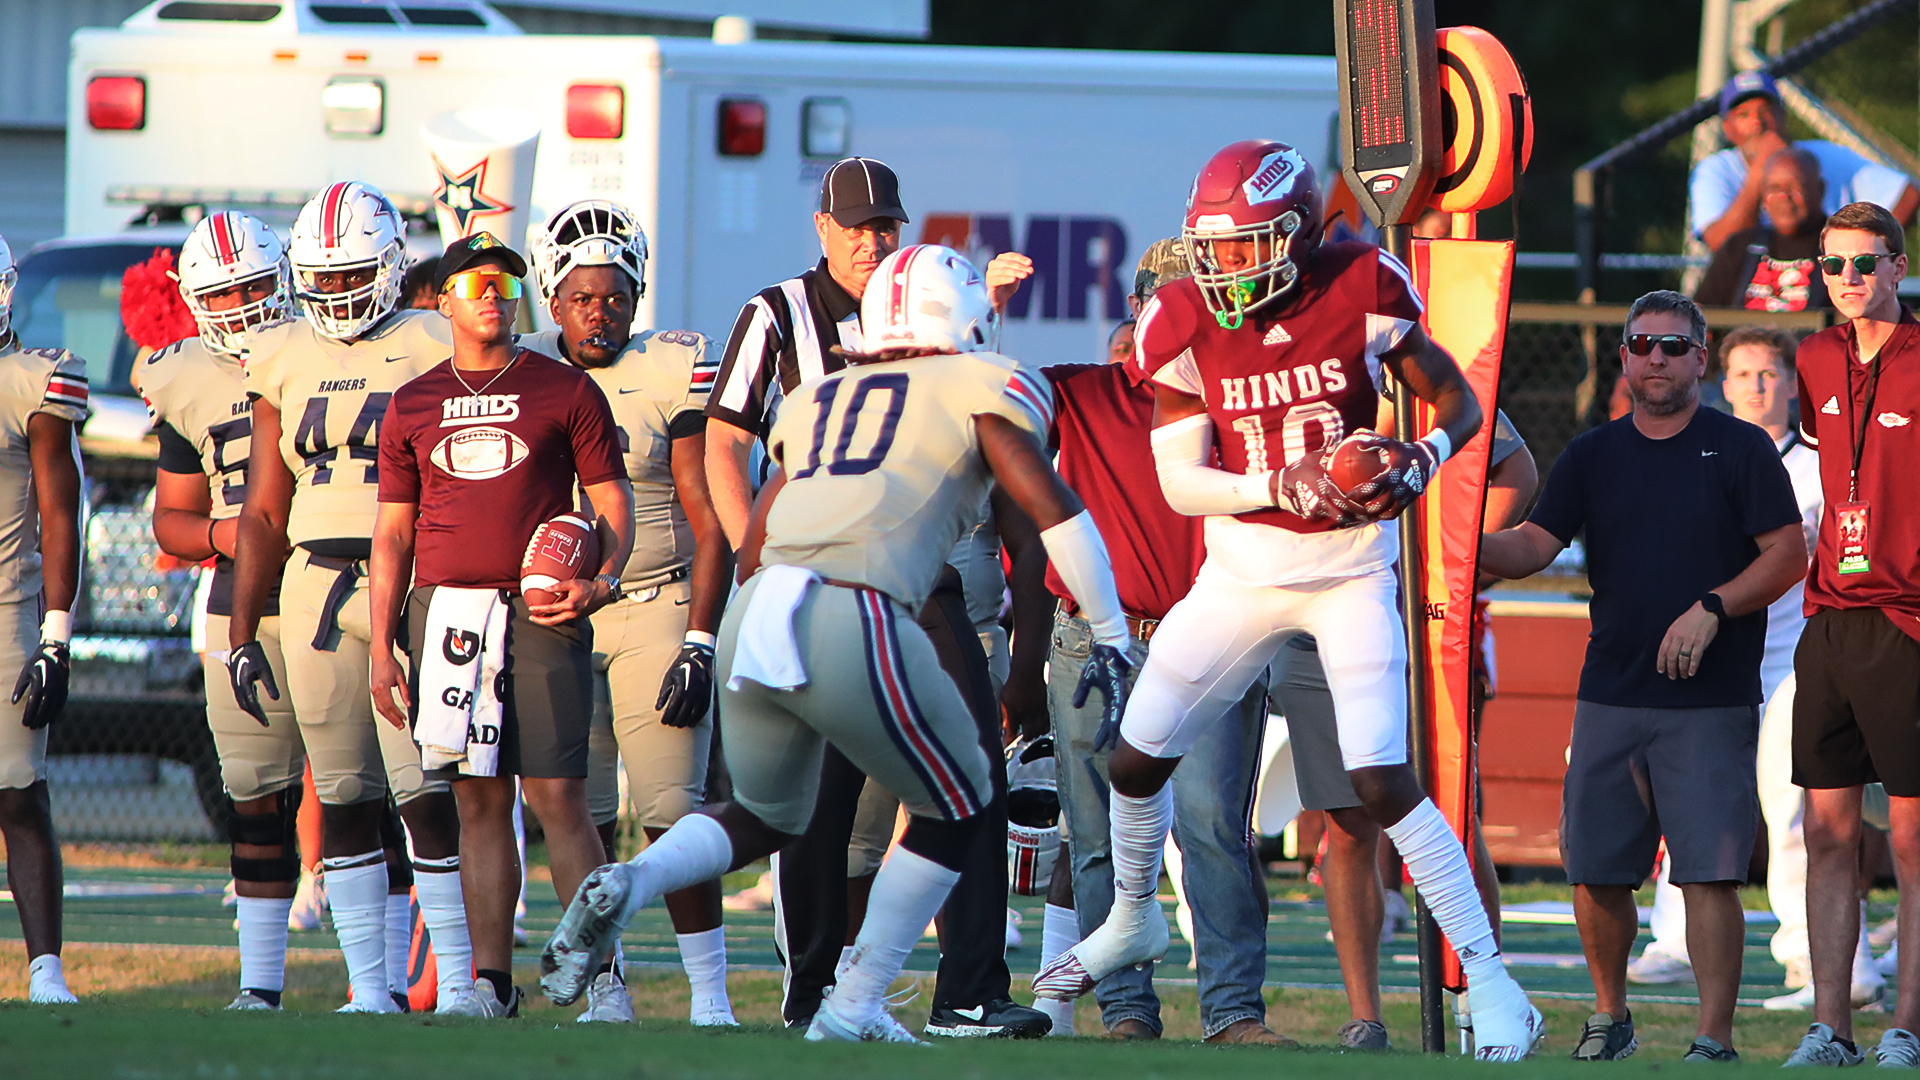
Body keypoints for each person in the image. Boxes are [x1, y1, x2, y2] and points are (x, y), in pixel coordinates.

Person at [540, 243, 1135, 1045]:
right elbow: (1053, 510)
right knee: (962, 801)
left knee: (762, 814)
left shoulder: (822, 397)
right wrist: (1110, 632)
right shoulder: (980, 384)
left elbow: (759, 526)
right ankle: (853, 1002)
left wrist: (724, 631)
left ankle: (632, 879)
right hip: (856, 605)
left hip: (763, 607)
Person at [1032, 139, 1543, 1063]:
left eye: (1246, 246)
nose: (1225, 269)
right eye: (1214, 249)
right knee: (1136, 761)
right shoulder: (1181, 316)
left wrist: (1418, 464)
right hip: (1238, 573)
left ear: (1299, 234)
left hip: (1348, 572)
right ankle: (1139, 919)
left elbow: (1460, 408)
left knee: (1384, 781)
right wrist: (1285, 479)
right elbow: (1184, 484)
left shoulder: (1361, 285)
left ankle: (1495, 980)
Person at [702, 156, 1045, 1037]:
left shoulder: (922, 295)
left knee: (975, 769)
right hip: (813, 573)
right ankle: (814, 990)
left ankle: (970, 990)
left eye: (885, 224)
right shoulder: (774, 313)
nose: (871, 240)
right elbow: (722, 444)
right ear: (820, 229)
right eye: (854, 226)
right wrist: (757, 558)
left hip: (924, 581)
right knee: (821, 795)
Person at [1481, 290, 1806, 1062]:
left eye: (1672, 345)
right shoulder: (1593, 453)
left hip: (1712, 697)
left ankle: (1713, 1039)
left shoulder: (1740, 449)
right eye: (1640, 344)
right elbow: (1530, 546)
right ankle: (1610, 1015)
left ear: (1702, 358)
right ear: (1623, 358)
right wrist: (1449, 539)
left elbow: (1789, 555)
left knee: (1710, 875)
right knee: (1593, 868)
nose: (1655, 358)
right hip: (1610, 690)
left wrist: (1712, 609)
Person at [1000, 238, 1284, 1046]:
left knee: (1211, 831)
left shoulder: (1242, 398)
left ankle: (1233, 1013)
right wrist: (987, 308)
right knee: (1094, 837)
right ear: (1139, 310)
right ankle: (1125, 1009)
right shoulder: (1087, 391)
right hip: (1093, 637)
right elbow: (979, 396)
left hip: (1213, 632)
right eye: (1163, 304)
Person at [366, 232, 633, 1019]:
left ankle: (604, 978)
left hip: (542, 608)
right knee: (480, 801)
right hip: (447, 612)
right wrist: (383, 645)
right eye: (476, 281)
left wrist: (601, 581)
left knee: (559, 797)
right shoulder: (413, 401)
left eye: (505, 281)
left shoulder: (566, 390)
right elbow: (391, 533)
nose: (491, 292)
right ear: (443, 298)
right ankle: (491, 985)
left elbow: (610, 501)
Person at [227, 181, 470, 1014]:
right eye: (321, 278)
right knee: (341, 797)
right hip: (314, 587)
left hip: (415, 582)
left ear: (394, 265)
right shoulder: (283, 352)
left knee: (427, 791)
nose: (333, 293)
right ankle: (373, 990)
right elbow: (264, 506)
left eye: (350, 274)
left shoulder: (438, 338)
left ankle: (463, 982)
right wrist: (237, 630)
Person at [1626, 327, 1889, 1012]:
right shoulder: (1700, 450)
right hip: (1717, 654)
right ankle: (1678, 939)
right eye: (1742, 373)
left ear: (1790, 382)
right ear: (1724, 381)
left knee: (1799, 807)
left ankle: (1818, 955)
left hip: (1798, 657)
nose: (1756, 386)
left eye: (1769, 373)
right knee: (1691, 793)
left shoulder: (1823, 458)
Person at [520, 199, 736, 1026]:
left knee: (671, 812)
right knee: (578, 813)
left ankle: (711, 997)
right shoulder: (523, 364)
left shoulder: (671, 366)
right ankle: (606, 988)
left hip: (653, 599)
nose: (600, 313)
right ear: (552, 297)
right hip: (557, 615)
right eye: (582, 297)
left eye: (616, 297)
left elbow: (707, 513)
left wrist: (700, 641)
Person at [1277, 408, 1536, 1052]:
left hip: (1414, 617)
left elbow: (1515, 466)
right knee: (1345, 820)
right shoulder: (1258, 364)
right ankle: (1365, 1015)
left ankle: (1484, 1000)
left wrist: (1458, 558)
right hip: (1307, 611)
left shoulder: (1410, 371)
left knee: (1445, 808)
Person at [145, 212, 311, 1011]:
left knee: (366, 794)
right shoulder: (182, 375)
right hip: (236, 600)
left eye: (252, 286)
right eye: (224, 293)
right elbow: (169, 518)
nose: (242, 307)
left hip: (331, 585)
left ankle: (383, 983)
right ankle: (260, 985)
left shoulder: (329, 346)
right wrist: (230, 533)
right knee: (254, 795)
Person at [1782, 200, 1920, 1068]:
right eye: (1833, 266)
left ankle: (1907, 1027)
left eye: (1864, 264)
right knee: (1829, 833)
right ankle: (1830, 1026)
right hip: (1829, 615)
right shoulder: (1815, 354)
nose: (1848, 281)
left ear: (1900, 267)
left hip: (1909, 618)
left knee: (1910, 839)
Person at [0, 230, 86, 1005]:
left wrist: (56, 636)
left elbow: (63, 514)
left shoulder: (34, 382)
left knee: (18, 790)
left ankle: (45, 970)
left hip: (6, 612)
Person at [1688, 71, 1916, 254]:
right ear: (1728, 128)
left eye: (1766, 111)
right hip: (1753, 290)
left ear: (1782, 116)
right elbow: (1721, 244)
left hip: (1826, 282)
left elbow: (1908, 194)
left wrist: (1867, 255)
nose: (1758, 122)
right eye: (1743, 115)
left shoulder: (1823, 154)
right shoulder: (1715, 170)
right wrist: (1760, 172)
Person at [1695, 148, 1830, 312]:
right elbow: (1701, 315)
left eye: (1795, 187)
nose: (1783, 197)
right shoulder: (1740, 248)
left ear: (1820, 190)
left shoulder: (1842, 247)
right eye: (1774, 188)